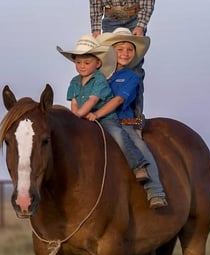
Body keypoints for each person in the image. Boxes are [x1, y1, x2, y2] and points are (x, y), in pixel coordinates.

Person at [57, 35, 151, 186]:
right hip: (86, 116)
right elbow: (74, 101)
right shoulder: (76, 80)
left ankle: (140, 167)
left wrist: (84, 114)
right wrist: (75, 116)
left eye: (87, 62)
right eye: (78, 62)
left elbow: (96, 100)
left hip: (114, 118)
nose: (82, 66)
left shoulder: (104, 78)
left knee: (120, 135)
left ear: (98, 63)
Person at [90, 28, 168, 209]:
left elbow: (120, 101)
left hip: (121, 122)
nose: (125, 53)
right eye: (120, 49)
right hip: (94, 121)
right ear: (110, 51)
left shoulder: (131, 77)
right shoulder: (99, 75)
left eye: (129, 50)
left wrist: (98, 114)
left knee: (140, 147)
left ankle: (155, 190)